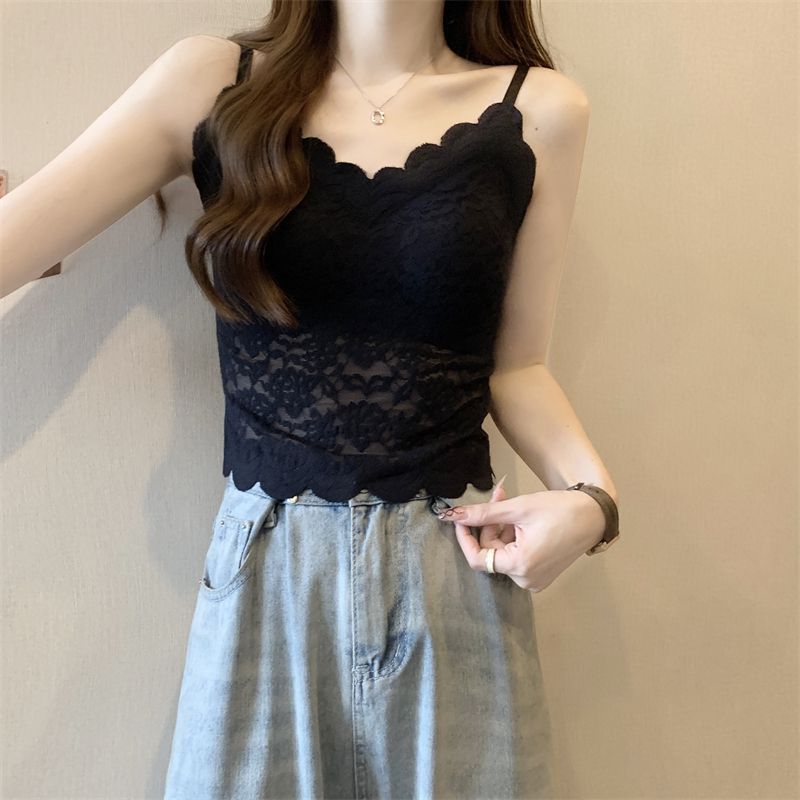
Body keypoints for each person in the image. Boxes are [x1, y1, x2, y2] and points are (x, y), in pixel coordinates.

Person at [0, 1, 620, 797]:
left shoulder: (540, 112)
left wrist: (594, 502)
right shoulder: (214, 83)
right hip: (265, 579)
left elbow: (518, 368)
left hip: (453, 577)